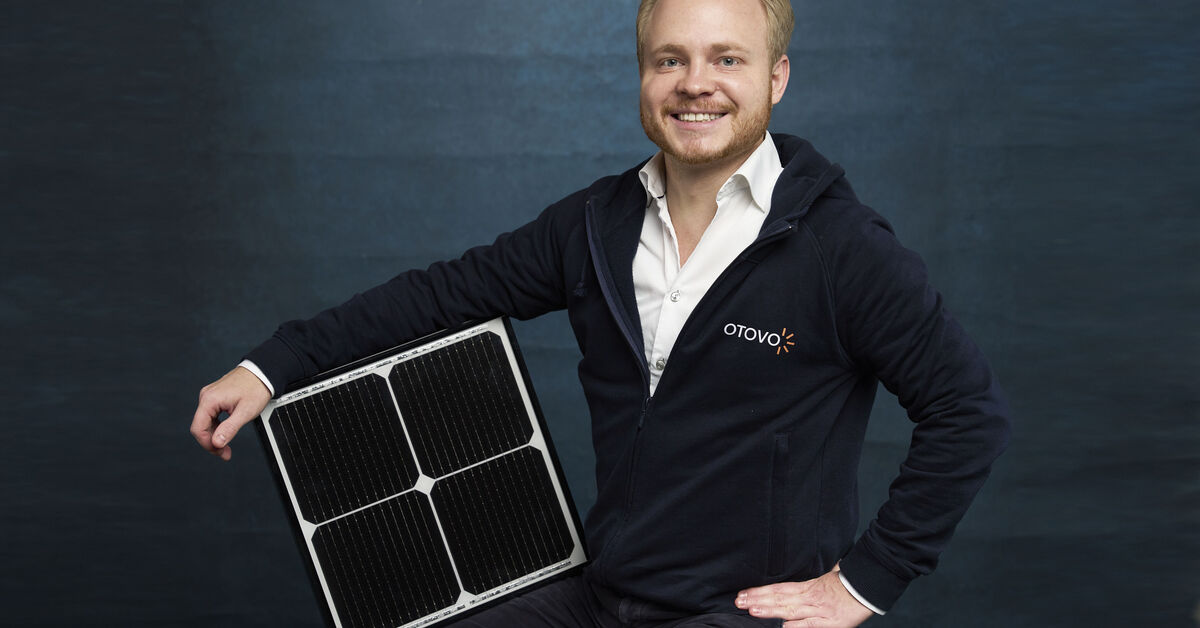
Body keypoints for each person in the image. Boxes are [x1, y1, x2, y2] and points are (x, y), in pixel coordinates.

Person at [191, 0, 1011, 626]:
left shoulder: (841, 249)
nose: (695, 83)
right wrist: (273, 366)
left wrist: (864, 583)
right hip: (604, 593)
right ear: (644, 76)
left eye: (727, 58)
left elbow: (967, 413)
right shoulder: (594, 226)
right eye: (669, 59)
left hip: (743, 613)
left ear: (776, 77)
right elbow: (442, 295)